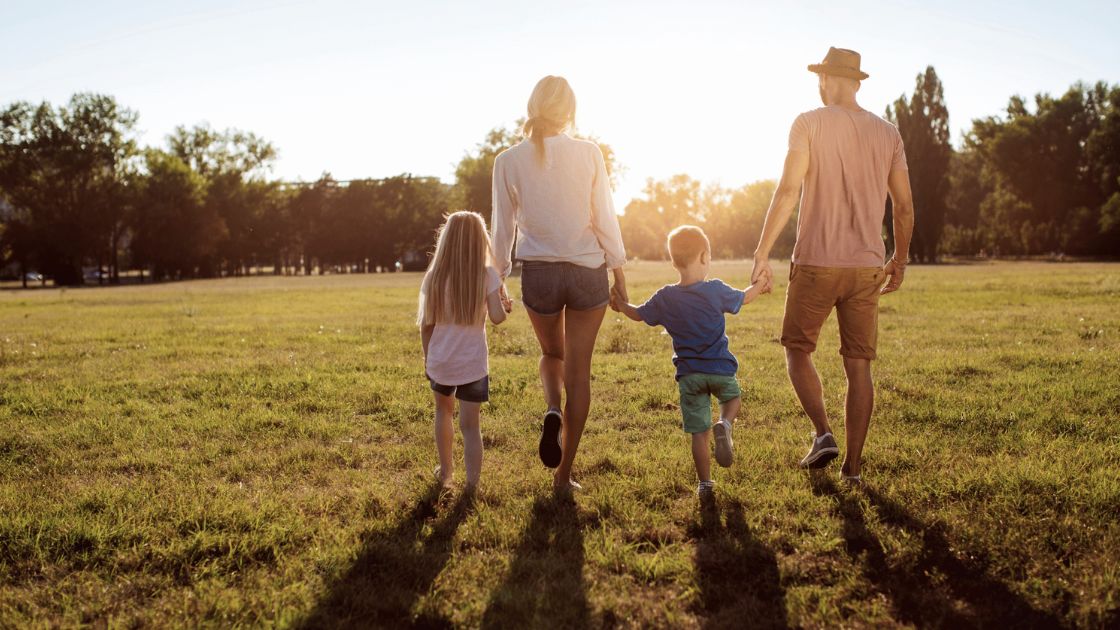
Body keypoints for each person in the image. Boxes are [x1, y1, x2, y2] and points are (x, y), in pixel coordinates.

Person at [750, 47, 916, 485]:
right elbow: (903, 206)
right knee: (858, 367)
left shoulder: (808, 122)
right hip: (866, 267)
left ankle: (823, 432)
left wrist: (761, 252)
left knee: (796, 349)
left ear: (826, 80)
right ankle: (854, 469)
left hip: (817, 262)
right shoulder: (889, 133)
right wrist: (898, 258)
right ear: (856, 81)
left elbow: (787, 191)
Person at [491, 75, 628, 494]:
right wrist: (619, 271)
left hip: (540, 274)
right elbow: (605, 216)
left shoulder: (507, 160)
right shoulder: (588, 153)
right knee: (580, 374)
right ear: (569, 111)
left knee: (552, 354)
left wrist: (497, 278)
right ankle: (564, 474)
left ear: (533, 107)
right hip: (588, 272)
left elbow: (502, 228)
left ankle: (552, 409)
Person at [610, 226, 767, 497]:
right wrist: (761, 284)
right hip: (720, 369)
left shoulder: (666, 297)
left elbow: (638, 314)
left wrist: (620, 305)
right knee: (732, 400)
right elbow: (745, 297)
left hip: (689, 376)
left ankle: (705, 484)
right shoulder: (716, 290)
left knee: (699, 432)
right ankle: (726, 424)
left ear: (673, 262)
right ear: (705, 256)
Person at [418, 211, 512, 491]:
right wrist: (504, 305)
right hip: (472, 364)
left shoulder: (434, 277)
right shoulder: (487, 275)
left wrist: (428, 359)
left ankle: (446, 474)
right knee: (471, 427)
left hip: (441, 362)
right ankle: (472, 485)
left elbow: (426, 325)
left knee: (442, 413)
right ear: (479, 240)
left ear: (446, 240)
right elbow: (497, 317)